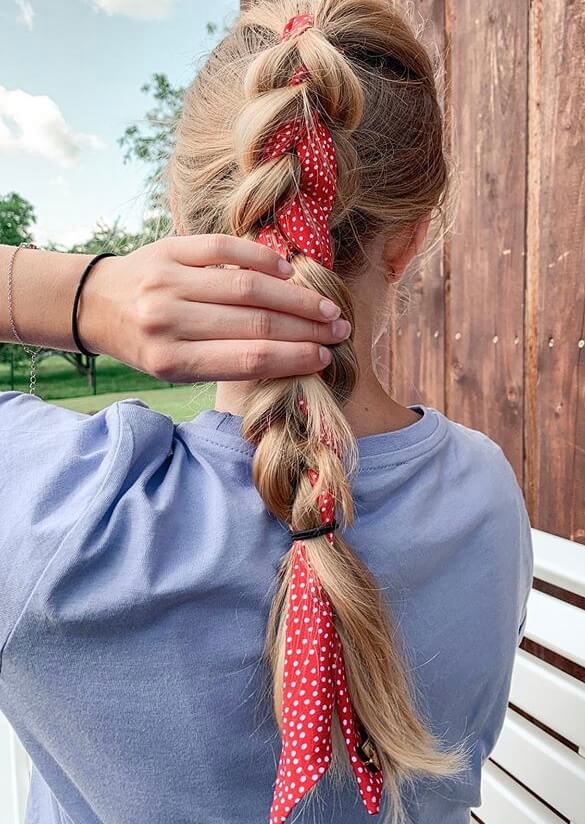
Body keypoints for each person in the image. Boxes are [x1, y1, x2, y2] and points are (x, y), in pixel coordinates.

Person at [0, 1, 533, 823]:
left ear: (179, 221)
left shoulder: (54, 516)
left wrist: (83, 296)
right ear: (410, 242)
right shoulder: (484, 496)